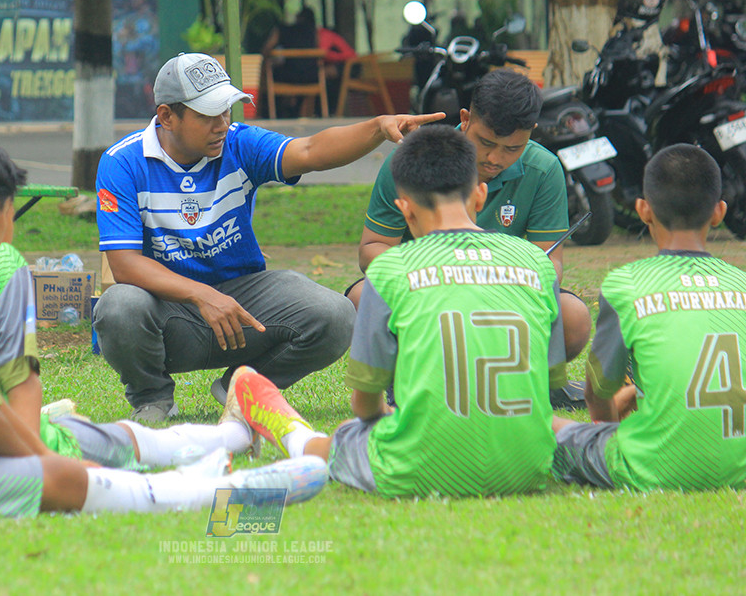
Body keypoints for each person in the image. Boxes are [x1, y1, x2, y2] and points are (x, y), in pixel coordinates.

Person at [0, 137, 326, 522]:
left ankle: (231, 433)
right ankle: (213, 490)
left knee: (80, 438)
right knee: (60, 476)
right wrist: (42, 463)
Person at [94, 52, 444, 423]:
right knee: (119, 306)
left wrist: (377, 127)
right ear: (167, 116)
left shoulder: (239, 143)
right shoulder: (123, 162)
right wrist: (203, 295)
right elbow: (124, 263)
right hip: (169, 312)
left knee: (337, 315)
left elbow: (310, 151)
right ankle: (153, 398)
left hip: (244, 304)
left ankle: (243, 388)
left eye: (226, 110)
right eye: (207, 115)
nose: (221, 124)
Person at [227, 125, 565, 498]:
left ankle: (291, 432)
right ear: (480, 195)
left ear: (404, 208)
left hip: (416, 470)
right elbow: (547, 386)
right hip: (530, 468)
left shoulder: (391, 269)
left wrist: (381, 416)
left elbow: (365, 403)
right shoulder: (537, 262)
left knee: (347, 434)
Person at [345, 69, 591, 409]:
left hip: (507, 298)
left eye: (512, 148)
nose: (495, 158)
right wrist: (437, 276)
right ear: (465, 119)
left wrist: (487, 286)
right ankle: (404, 380)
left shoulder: (544, 169)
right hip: (422, 292)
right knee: (361, 297)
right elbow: (372, 249)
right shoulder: (414, 159)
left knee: (574, 317)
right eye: (486, 143)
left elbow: (549, 265)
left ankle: (525, 382)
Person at [552, 144, 746, 491]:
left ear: (643, 210)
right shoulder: (741, 283)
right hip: (739, 469)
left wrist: (606, 429)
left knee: (547, 425)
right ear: (718, 212)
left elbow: (597, 396)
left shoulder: (627, 285)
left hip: (656, 467)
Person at [0, 240, 263, 467]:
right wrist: (41, 458)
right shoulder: (2, 262)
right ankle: (235, 436)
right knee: (122, 455)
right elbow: (13, 389)